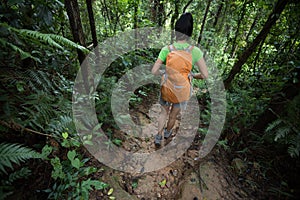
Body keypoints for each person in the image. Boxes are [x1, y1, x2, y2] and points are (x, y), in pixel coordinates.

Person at [151, 13, 208, 147]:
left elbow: (154, 71)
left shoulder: (167, 49)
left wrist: (165, 72)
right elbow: (205, 75)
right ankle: (167, 133)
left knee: (163, 113)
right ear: (190, 32)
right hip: (182, 91)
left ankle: (158, 137)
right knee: (173, 116)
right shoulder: (196, 52)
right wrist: (192, 75)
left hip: (167, 87)